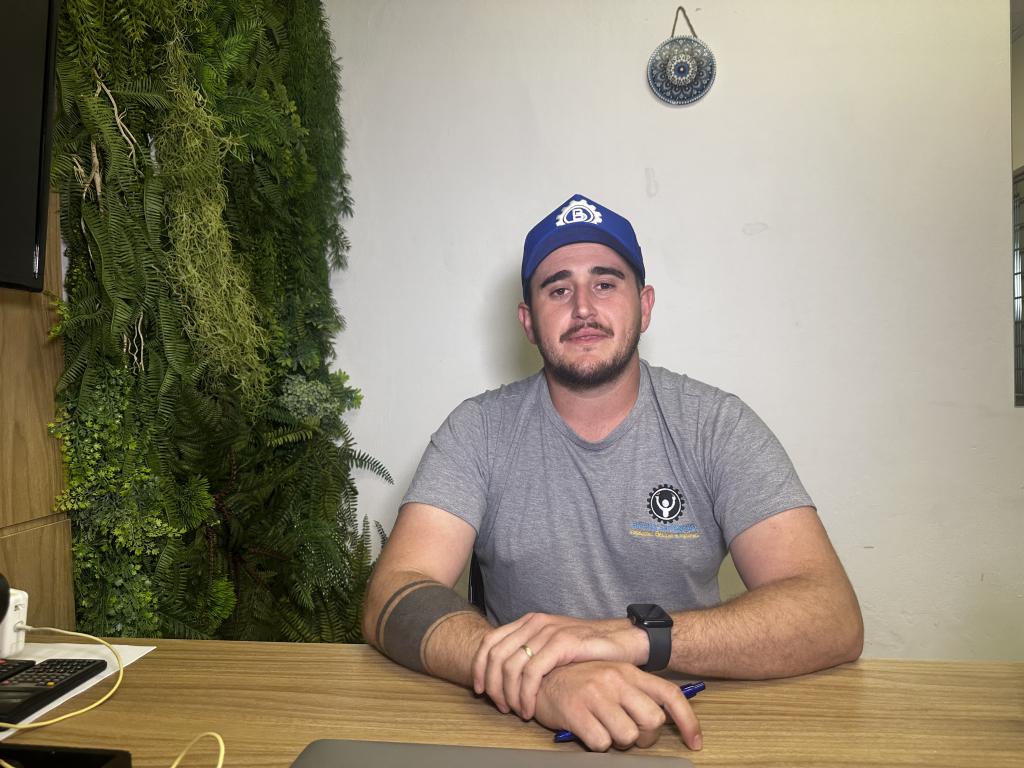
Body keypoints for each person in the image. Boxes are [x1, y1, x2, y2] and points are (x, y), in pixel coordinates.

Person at [362, 194, 863, 753]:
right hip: (522, 725)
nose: (583, 307)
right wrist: (542, 677)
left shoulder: (717, 425)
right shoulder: (478, 430)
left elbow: (832, 615)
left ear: (644, 306)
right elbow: (393, 592)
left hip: (681, 726)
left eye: (605, 284)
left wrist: (630, 639)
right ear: (528, 322)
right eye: (558, 289)